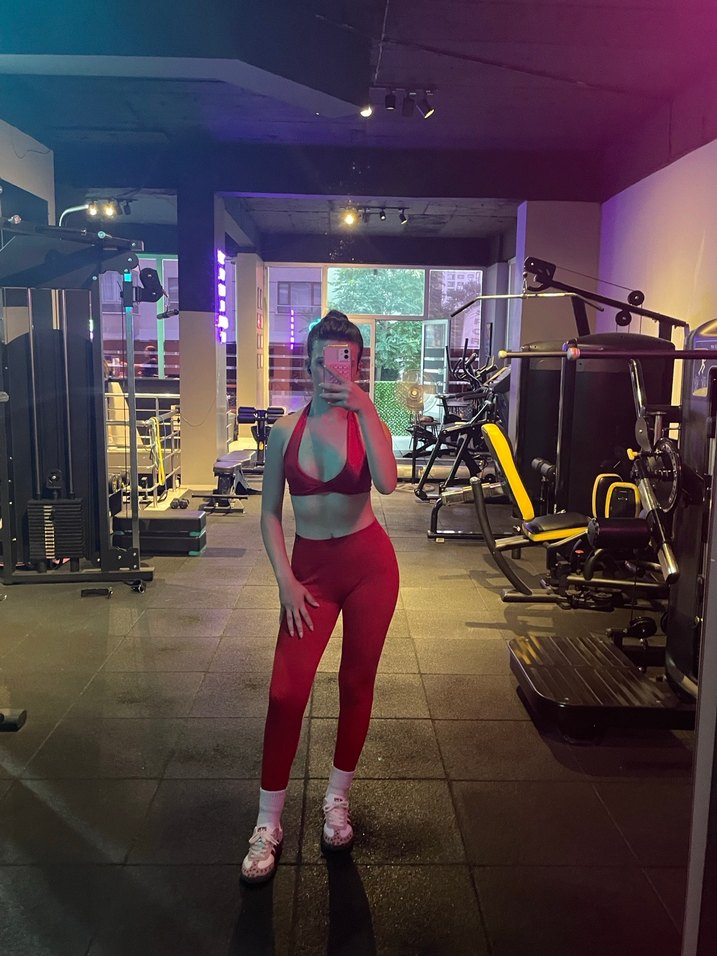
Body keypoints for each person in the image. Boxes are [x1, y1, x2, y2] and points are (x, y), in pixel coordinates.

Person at [240, 310, 399, 884]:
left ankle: (337, 798)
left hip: (369, 568)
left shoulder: (367, 421)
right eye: (321, 361)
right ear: (308, 364)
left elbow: (388, 484)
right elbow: (268, 514)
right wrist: (285, 579)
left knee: (356, 684)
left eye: (342, 362)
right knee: (285, 693)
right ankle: (268, 822)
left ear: (356, 366)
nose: (330, 372)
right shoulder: (286, 430)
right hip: (309, 573)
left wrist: (367, 409)